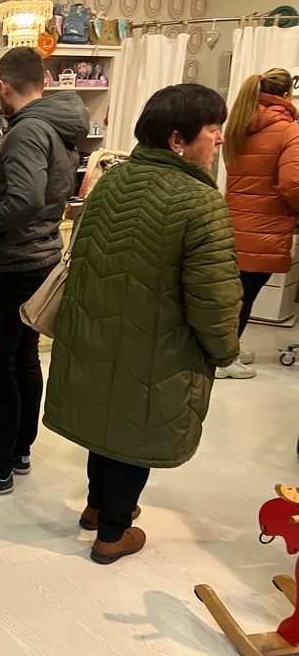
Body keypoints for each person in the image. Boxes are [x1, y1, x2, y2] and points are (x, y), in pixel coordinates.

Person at [42, 84, 242, 564]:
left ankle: (96, 506)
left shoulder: (111, 182)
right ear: (178, 139)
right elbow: (214, 295)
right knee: (137, 429)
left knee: (107, 417)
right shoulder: (201, 202)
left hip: (98, 332)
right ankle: (113, 533)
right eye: (212, 129)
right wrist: (224, 349)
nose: (219, 139)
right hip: (159, 344)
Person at [0, 47, 88, 500]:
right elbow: (39, 193)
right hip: (43, 253)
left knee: (4, 362)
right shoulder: (57, 125)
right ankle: (19, 449)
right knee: (24, 356)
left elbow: (25, 200)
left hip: (19, 258)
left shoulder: (27, 131)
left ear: (4, 87)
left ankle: (0, 468)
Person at [222, 68, 299, 379]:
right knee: (245, 295)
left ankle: (227, 349)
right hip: (265, 227)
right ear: (286, 95)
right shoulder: (289, 131)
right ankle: (224, 359)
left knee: (234, 293)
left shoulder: (240, 125)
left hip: (234, 222)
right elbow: (293, 183)